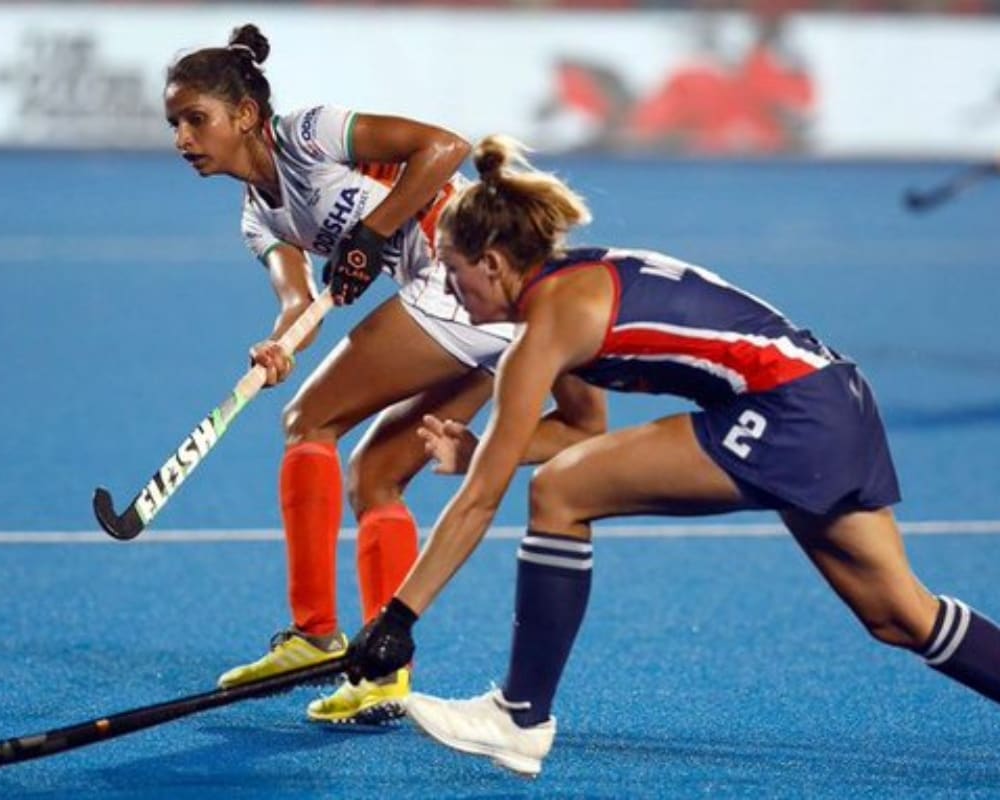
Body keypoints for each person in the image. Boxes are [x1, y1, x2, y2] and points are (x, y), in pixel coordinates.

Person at [345, 135, 1000, 773]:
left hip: (788, 410)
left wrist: (399, 618)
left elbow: (481, 501)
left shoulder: (547, 326)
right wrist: (485, 449)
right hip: (831, 398)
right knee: (898, 615)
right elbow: (580, 429)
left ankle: (518, 718)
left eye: (452, 269)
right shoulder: (558, 296)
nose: (449, 287)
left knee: (560, 492)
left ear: (492, 262)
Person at [163, 26, 607, 726]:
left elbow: (445, 148)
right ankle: (384, 670)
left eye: (196, 119)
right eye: (175, 124)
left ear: (244, 114)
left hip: (470, 276)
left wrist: (372, 234)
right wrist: (279, 346)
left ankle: (314, 636)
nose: (183, 139)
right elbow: (297, 304)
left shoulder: (310, 134)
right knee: (376, 476)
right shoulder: (258, 218)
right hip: (481, 310)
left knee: (310, 422)